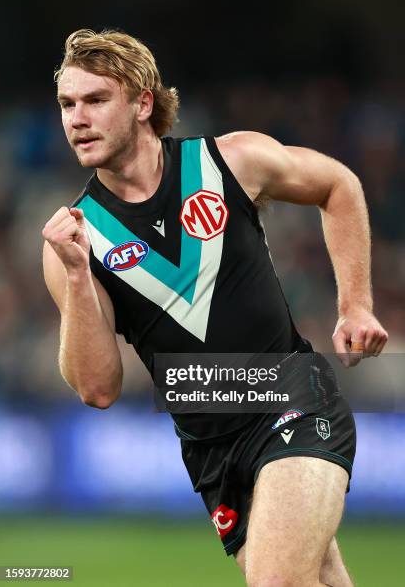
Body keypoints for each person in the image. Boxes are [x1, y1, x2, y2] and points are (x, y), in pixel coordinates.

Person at [42, 29, 388, 587]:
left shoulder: (228, 161)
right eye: (67, 104)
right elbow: (97, 388)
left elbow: (337, 186)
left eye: (96, 100)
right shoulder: (74, 240)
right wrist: (80, 275)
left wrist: (356, 306)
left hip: (291, 399)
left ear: (142, 102)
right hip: (210, 449)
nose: (76, 118)